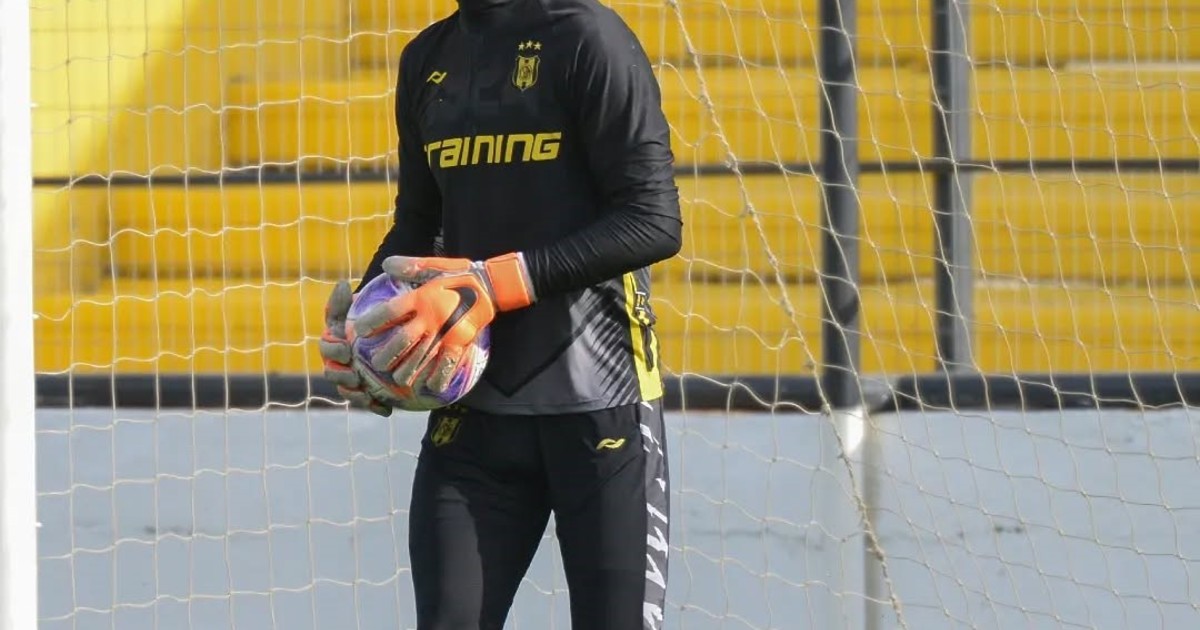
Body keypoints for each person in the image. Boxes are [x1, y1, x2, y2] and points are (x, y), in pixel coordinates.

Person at [318, 0, 681, 627]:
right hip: (473, 423)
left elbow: (652, 220)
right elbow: (420, 225)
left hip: (601, 415)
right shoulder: (427, 58)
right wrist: (369, 336)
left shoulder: (587, 37)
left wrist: (493, 283)